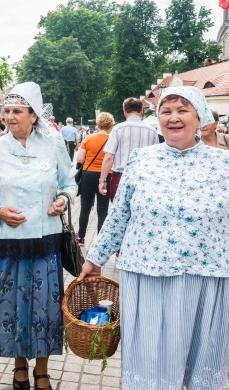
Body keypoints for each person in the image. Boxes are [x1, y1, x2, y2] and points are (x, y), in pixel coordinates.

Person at [79, 86, 229, 390]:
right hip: (147, 276)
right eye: (166, 110)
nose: (173, 118)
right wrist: (95, 258)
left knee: (202, 361)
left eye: (182, 110)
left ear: (199, 116)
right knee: (150, 362)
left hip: (206, 275)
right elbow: (119, 215)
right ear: (157, 117)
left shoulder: (223, 164)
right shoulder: (141, 160)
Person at [0, 81, 77, 390]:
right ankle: (20, 366)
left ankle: (42, 369)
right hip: (5, 244)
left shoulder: (54, 143)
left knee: (44, 308)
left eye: (17, 111)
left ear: (33, 115)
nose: (9, 116)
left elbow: (68, 184)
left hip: (44, 243)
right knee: (13, 306)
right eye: (6, 111)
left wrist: (63, 199)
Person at [99, 97, 158, 202]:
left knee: (119, 213)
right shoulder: (152, 131)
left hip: (120, 177)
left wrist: (102, 180)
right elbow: (156, 158)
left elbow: (109, 157)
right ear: (141, 111)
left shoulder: (118, 129)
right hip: (144, 178)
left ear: (125, 112)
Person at [75, 113, 114, 246]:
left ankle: (81, 237)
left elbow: (79, 158)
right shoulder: (113, 139)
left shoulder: (88, 138)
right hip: (106, 175)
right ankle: (100, 240)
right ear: (111, 125)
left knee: (85, 208)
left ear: (97, 125)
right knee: (103, 209)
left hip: (88, 175)